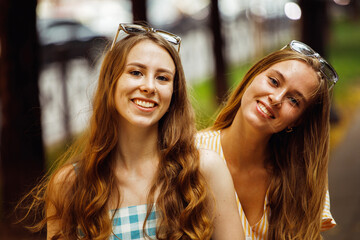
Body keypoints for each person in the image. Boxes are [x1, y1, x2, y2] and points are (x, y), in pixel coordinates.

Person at [18, 23, 244, 240]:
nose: (149, 86)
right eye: (136, 72)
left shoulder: (203, 170)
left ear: (174, 93)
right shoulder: (69, 184)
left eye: (163, 77)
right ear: (111, 82)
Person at [196, 40, 337, 240]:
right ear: (253, 76)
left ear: (297, 121)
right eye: (274, 81)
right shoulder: (190, 154)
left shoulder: (302, 176)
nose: (277, 98)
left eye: (294, 100)